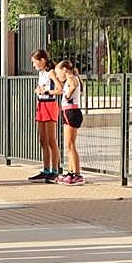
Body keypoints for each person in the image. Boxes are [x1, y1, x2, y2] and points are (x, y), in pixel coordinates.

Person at [29, 49, 61, 183]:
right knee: (42, 139)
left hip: (49, 105)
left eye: (34, 62)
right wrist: (38, 90)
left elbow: (59, 89)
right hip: (41, 104)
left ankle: (55, 170)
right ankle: (46, 169)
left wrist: (46, 91)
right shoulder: (41, 73)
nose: (33, 65)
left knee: (51, 139)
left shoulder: (50, 72)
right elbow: (41, 87)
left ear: (42, 60)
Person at [54, 60, 85, 186]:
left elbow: (73, 85)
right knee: (68, 145)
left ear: (64, 69)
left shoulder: (71, 78)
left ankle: (77, 174)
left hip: (71, 112)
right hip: (68, 111)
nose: (57, 76)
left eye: (58, 73)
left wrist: (68, 96)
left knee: (70, 145)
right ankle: (71, 172)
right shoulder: (70, 79)